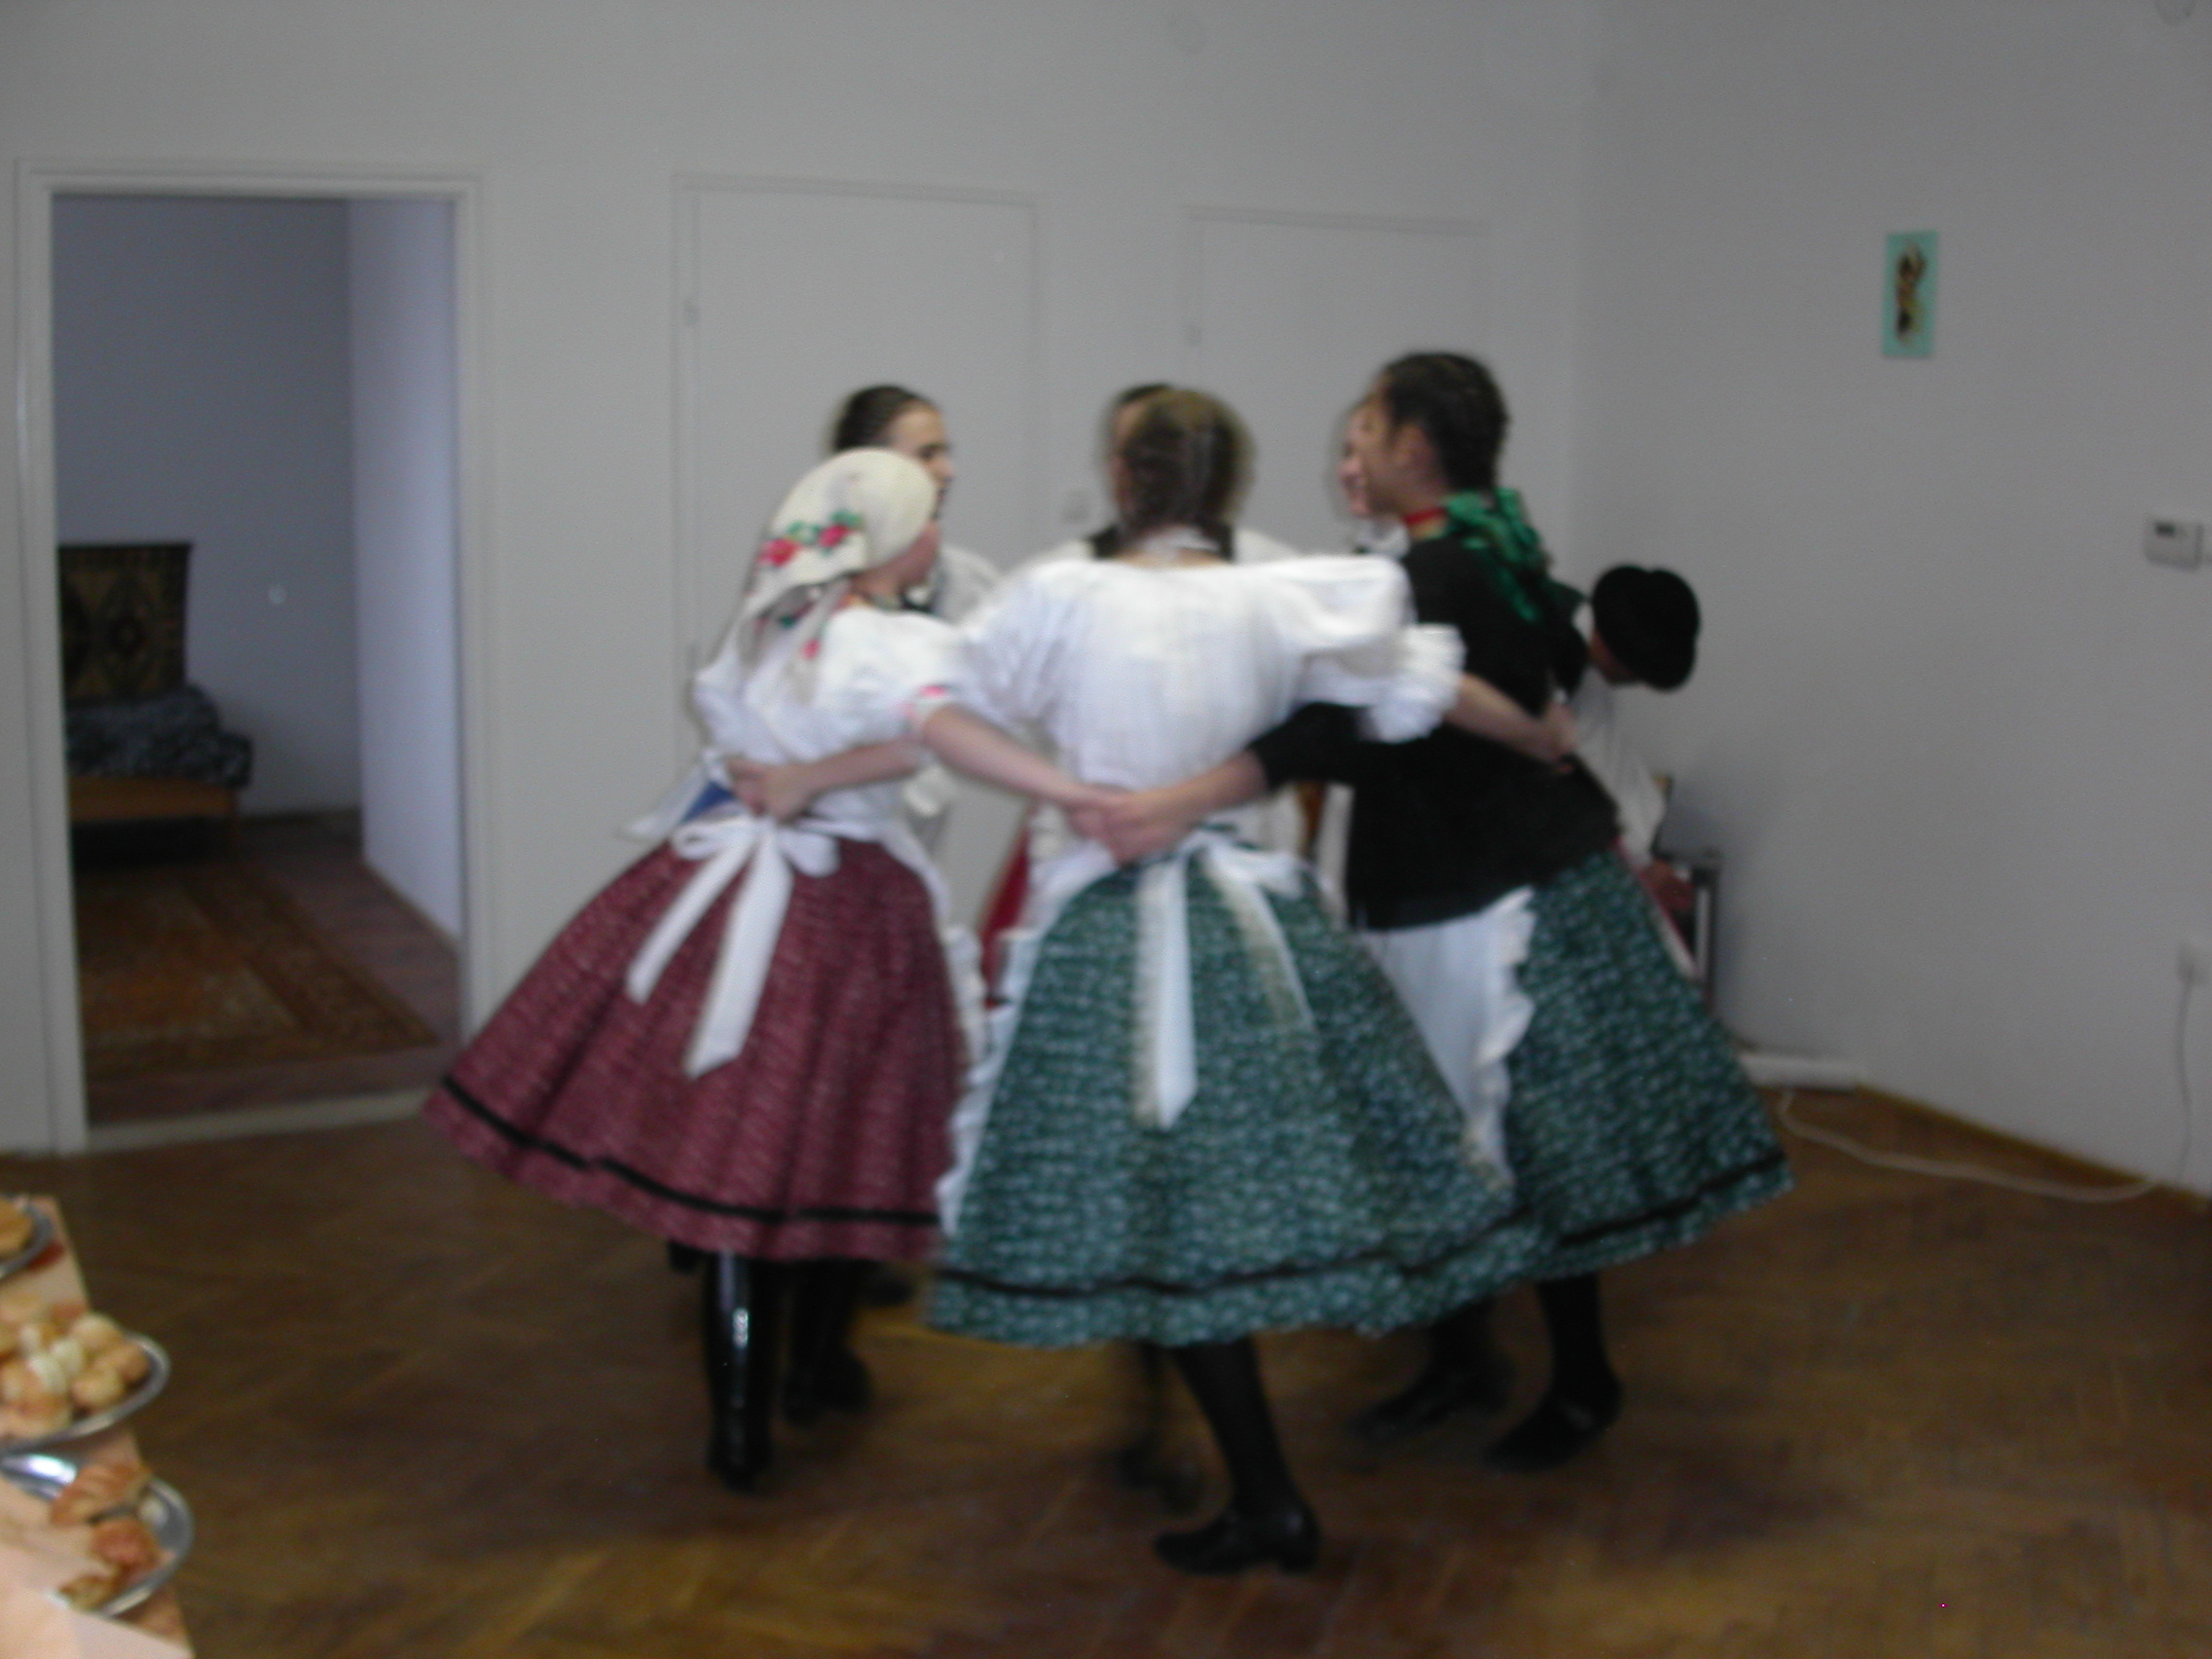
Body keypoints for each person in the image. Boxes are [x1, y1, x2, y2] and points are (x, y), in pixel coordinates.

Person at [1093, 354, 1788, 1475]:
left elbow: (1343, 730)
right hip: (1473, 883)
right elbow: (1508, 693)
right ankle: (1466, 1361)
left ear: (1413, 447)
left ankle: (1580, 1380)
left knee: (1525, 1145)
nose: (1351, 451)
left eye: (1366, 429)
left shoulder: (1434, 574)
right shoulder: (1494, 554)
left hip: (1487, 904)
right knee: (1454, 1136)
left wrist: (1187, 791)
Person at [900, 387, 1542, 1574]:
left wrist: (1073, 796)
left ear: (1124, 480)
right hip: (1254, 923)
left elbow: (934, 710)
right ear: (1230, 491)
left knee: (1172, 1212)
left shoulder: (1062, 594)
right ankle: (1263, 1481)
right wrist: (1539, 735)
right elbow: (1412, 692)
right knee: (1208, 1203)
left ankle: (1268, 1497)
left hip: (1119, 927)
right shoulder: (1282, 592)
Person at [422, 451, 1063, 1491]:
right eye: (927, 519)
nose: (938, 538)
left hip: (734, 895)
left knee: (736, 1164)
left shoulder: (772, 623)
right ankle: (811, 1370)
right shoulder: (888, 641)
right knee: (850, 1142)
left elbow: (756, 742)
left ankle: (739, 1424)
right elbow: (939, 735)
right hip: (846, 909)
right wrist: (1066, 789)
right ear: (893, 539)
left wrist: (798, 774)